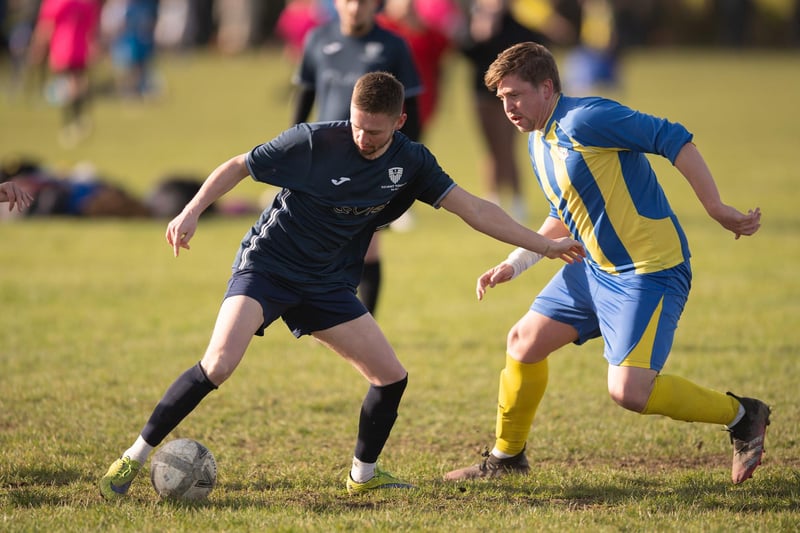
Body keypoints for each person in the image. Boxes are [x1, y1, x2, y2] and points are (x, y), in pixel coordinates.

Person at [98, 71, 585, 499]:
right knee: (220, 364)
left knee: (391, 376)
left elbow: (475, 209)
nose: (362, 138)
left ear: (398, 122)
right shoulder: (314, 143)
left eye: (374, 130)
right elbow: (238, 166)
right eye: (356, 125)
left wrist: (540, 246)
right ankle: (134, 457)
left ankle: (362, 475)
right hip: (268, 266)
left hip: (326, 282)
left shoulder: (413, 162)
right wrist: (191, 210)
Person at [443, 42, 769, 486]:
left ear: (546, 87)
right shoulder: (539, 138)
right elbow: (565, 213)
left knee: (629, 392)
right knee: (522, 342)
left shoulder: (586, 118)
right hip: (592, 267)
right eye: (502, 100)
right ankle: (506, 458)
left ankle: (743, 415)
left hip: (648, 271)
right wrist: (515, 263)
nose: (509, 109)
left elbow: (673, 137)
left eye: (515, 96)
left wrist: (715, 207)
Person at [292, 0, 424, 316]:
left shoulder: (393, 45)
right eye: (349, 1)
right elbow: (305, 97)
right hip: (323, 159)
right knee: (315, 241)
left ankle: (366, 321)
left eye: (363, 2)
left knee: (367, 244)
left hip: (371, 159)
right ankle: (319, 315)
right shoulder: (317, 39)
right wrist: (294, 151)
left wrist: (404, 161)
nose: (355, 8)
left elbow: (412, 109)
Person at [26, 0, 102, 146]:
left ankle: (70, 122)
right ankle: (79, 119)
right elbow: (92, 29)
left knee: (68, 86)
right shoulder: (86, 4)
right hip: (79, 48)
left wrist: (38, 47)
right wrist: (93, 46)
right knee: (77, 84)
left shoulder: (56, 3)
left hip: (63, 49)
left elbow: (46, 27)